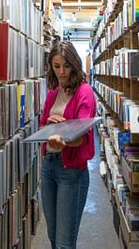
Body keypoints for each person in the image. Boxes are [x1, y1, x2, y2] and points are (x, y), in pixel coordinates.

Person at [39, 41, 97, 249]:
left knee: (64, 243)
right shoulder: (53, 93)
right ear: (50, 67)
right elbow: (43, 124)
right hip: (49, 167)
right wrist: (48, 128)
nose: (61, 72)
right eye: (56, 66)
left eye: (66, 65)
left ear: (74, 64)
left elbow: (84, 134)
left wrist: (63, 135)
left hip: (71, 173)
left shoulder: (85, 92)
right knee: (53, 238)